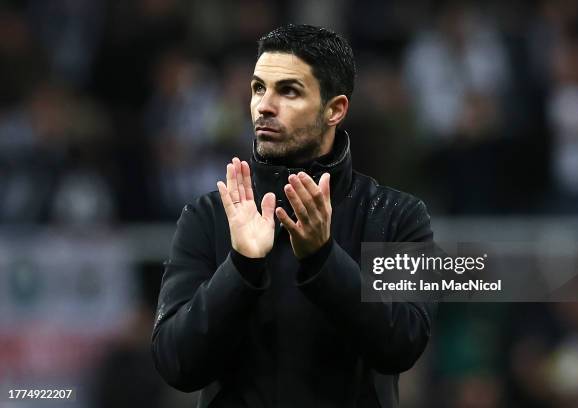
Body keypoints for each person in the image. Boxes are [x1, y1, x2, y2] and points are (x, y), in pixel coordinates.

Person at [151, 24, 435, 408]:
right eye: (257, 88)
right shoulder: (208, 216)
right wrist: (241, 267)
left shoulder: (397, 216)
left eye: (288, 91)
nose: (264, 106)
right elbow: (176, 364)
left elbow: (402, 345)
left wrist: (323, 258)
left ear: (334, 110)